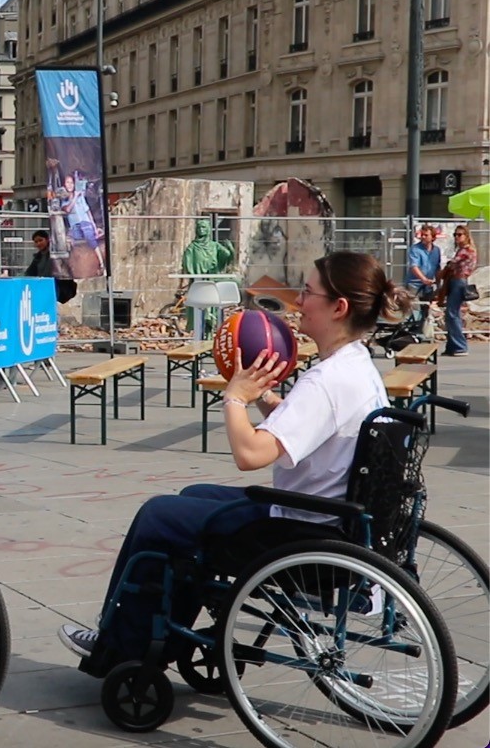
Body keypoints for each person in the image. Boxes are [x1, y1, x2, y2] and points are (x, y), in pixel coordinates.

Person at [59, 251, 409, 666]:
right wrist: (264, 397)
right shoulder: (356, 367)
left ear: (339, 307)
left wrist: (235, 398)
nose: (297, 302)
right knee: (193, 496)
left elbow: (250, 454)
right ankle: (162, 637)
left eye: (308, 292)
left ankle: (118, 644)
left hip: (303, 530)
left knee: (160, 516)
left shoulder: (328, 381)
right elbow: (311, 430)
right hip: (333, 518)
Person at [439, 224, 477, 357]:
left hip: (459, 281)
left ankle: (460, 345)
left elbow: (453, 263)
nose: (456, 237)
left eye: (459, 235)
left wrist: (446, 268)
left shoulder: (467, 250)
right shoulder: (461, 250)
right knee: (451, 314)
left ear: (466, 236)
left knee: (452, 313)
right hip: (454, 281)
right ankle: (452, 346)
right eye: (455, 235)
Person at [405, 224, 441, 332]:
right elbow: (414, 266)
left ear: (433, 237)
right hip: (414, 284)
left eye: (426, 235)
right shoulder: (415, 249)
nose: (423, 237)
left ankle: (423, 332)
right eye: (422, 235)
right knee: (415, 309)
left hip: (429, 285)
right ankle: (413, 332)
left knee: (426, 309)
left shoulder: (436, 250)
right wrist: (423, 279)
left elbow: (437, 267)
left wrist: (438, 282)